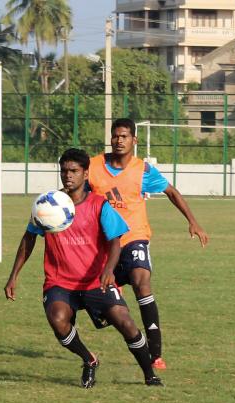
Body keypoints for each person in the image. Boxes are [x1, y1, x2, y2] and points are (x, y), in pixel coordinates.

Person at [4, 148, 163, 388]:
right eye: (64, 171)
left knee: (126, 323)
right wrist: (13, 275)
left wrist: (109, 269)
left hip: (94, 281)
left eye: (74, 171)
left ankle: (150, 375)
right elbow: (29, 238)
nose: (68, 175)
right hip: (60, 282)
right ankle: (89, 359)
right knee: (58, 320)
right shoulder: (47, 204)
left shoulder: (99, 204)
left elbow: (115, 240)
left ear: (86, 174)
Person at [88, 118, 209, 370]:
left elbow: (171, 192)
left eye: (124, 136)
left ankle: (156, 354)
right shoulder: (93, 166)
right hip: (104, 243)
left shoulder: (142, 170)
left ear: (134, 140)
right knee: (98, 304)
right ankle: (111, 301)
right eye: (115, 136)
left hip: (135, 236)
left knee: (142, 283)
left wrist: (193, 222)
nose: (119, 140)